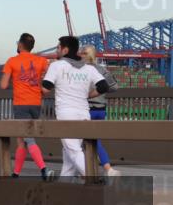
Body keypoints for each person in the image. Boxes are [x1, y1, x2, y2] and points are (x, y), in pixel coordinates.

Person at [43, 36, 109, 180]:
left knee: (73, 150)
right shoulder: (88, 68)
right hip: (84, 114)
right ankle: (64, 187)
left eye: (58, 47)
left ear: (65, 49)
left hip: (66, 114)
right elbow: (104, 86)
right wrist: (88, 95)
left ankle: (93, 179)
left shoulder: (57, 65)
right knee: (68, 155)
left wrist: (32, 85)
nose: (56, 50)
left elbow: (46, 88)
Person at [0, 33, 55, 180]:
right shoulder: (41, 61)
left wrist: (14, 79)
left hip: (21, 104)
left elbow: (3, 85)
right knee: (21, 140)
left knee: (28, 138)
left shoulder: (12, 61)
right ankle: (16, 173)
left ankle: (44, 169)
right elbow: (51, 76)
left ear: (19, 45)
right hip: (36, 103)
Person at [80, 45, 120, 178]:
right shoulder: (103, 70)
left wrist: (92, 93)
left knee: (81, 141)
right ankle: (101, 169)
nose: (80, 55)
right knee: (95, 140)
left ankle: (96, 170)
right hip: (101, 109)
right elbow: (115, 87)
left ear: (86, 55)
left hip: (88, 108)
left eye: (82, 53)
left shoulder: (82, 70)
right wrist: (102, 92)